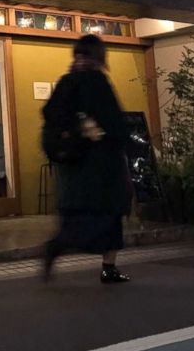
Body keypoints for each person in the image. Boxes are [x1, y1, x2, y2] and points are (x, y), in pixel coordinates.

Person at [42, 34, 133, 284]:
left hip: (72, 164)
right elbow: (114, 123)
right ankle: (106, 266)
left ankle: (61, 248)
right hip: (102, 164)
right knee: (109, 214)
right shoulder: (97, 80)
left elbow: (49, 113)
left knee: (79, 215)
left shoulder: (66, 81)